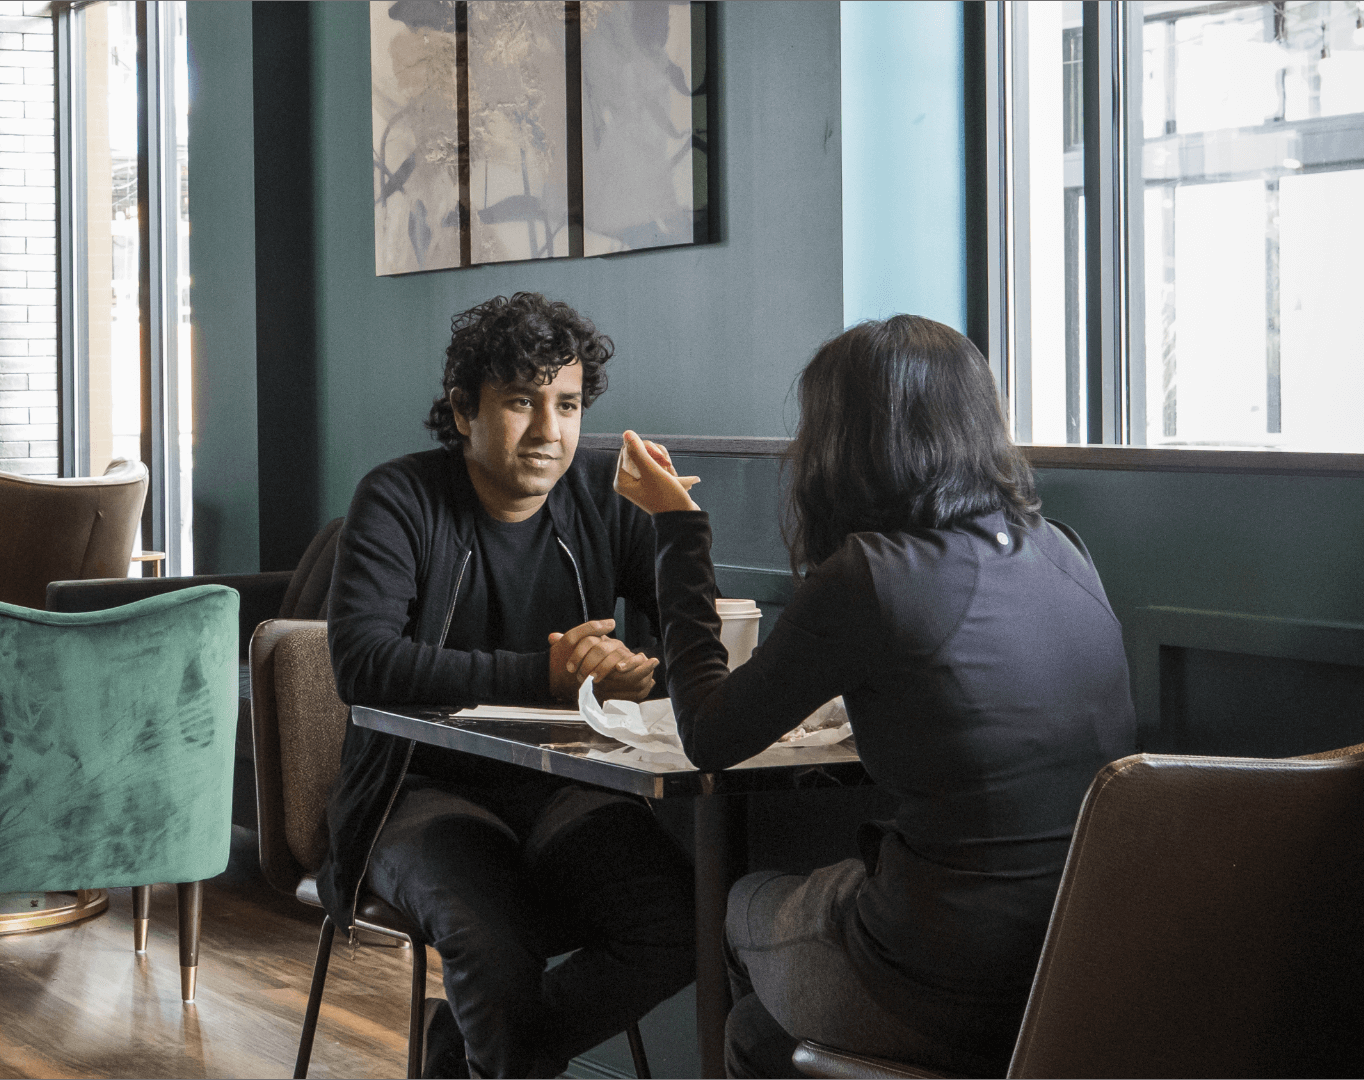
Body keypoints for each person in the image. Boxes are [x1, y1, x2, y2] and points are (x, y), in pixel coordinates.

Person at [612, 315, 1139, 1077]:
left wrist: (678, 528)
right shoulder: (1063, 548)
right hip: (1078, 966)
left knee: (739, 905)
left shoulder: (871, 574)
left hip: (948, 979)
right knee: (763, 1035)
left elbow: (710, 734)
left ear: (841, 444)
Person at [323, 292, 695, 1078]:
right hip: (416, 789)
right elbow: (362, 662)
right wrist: (546, 676)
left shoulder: (604, 497)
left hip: (566, 783)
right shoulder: (399, 498)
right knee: (493, 949)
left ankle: (462, 1052)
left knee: (680, 922)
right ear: (464, 411)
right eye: (521, 402)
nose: (549, 431)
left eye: (567, 404)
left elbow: (694, 646)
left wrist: (642, 657)